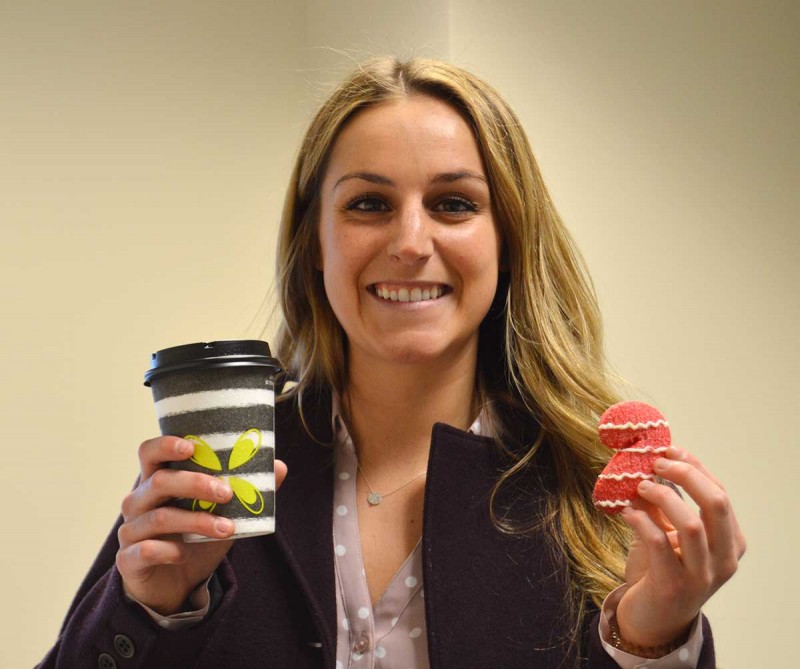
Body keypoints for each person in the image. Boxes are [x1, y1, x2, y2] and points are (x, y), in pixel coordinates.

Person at [38, 57, 745, 669]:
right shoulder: (218, 475)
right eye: (370, 203)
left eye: (453, 203)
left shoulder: (582, 491)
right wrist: (149, 610)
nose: (411, 241)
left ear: (508, 240)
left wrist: (650, 640)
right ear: (315, 242)